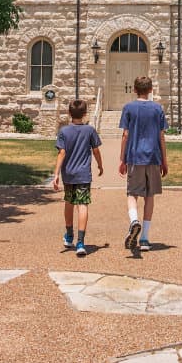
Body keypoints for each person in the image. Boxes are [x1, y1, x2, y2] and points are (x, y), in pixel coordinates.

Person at [118, 75, 168, 254]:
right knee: (150, 196)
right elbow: (162, 136)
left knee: (132, 193)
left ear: (134, 89)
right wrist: (164, 160)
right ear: (151, 90)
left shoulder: (129, 108)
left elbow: (125, 134)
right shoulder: (157, 108)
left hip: (134, 157)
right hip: (153, 157)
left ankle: (133, 221)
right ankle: (145, 238)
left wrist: (122, 159)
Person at [52, 99, 103, 257]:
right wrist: (100, 165)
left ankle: (69, 235)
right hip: (83, 174)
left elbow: (62, 153)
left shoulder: (64, 131)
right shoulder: (90, 130)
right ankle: (81, 242)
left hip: (69, 174)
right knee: (82, 205)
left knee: (69, 202)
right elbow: (95, 151)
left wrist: (56, 174)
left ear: (69, 113)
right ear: (85, 114)